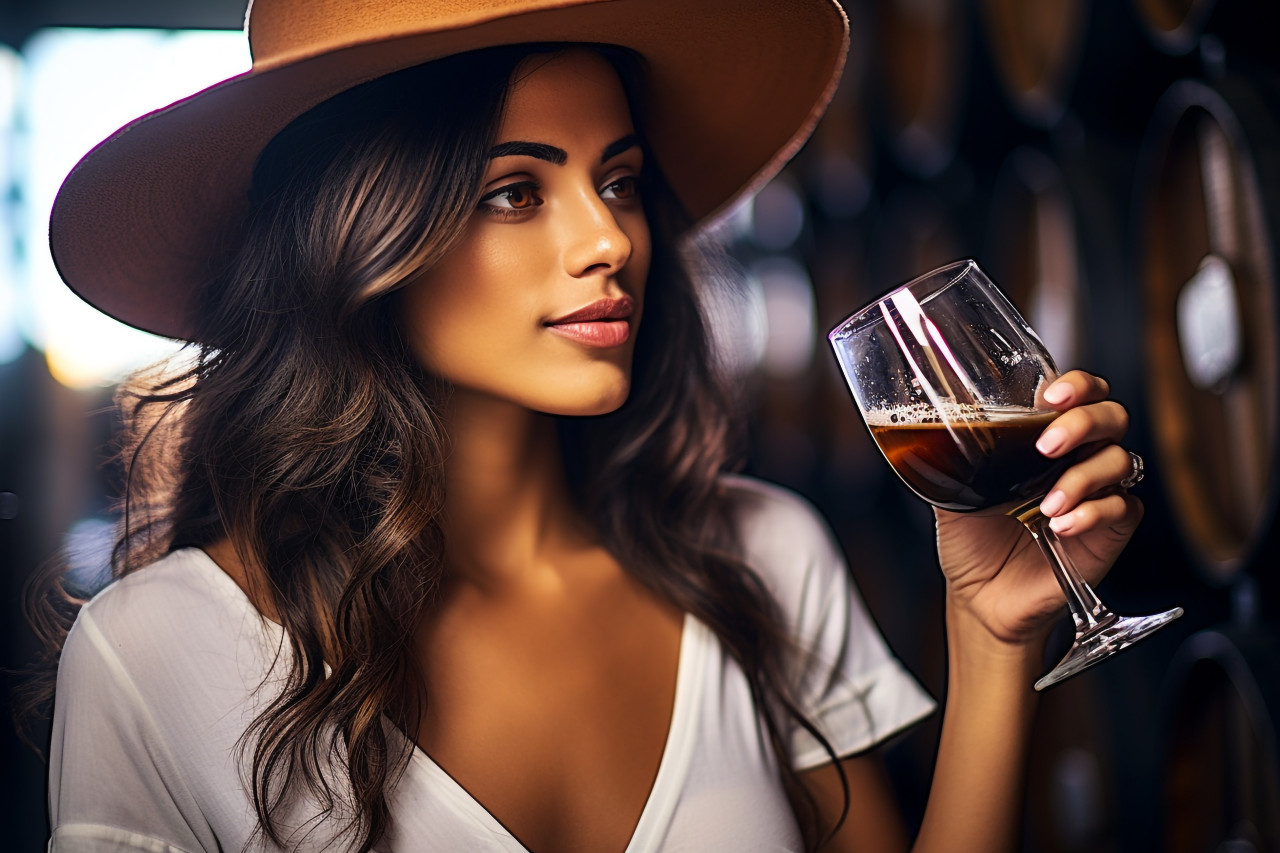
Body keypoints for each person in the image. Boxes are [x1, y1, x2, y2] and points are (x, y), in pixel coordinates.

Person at [35, 1, 1144, 851]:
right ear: (359, 241)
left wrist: (990, 636)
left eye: (617, 181)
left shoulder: (760, 555)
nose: (608, 239)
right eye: (514, 191)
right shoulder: (151, 656)